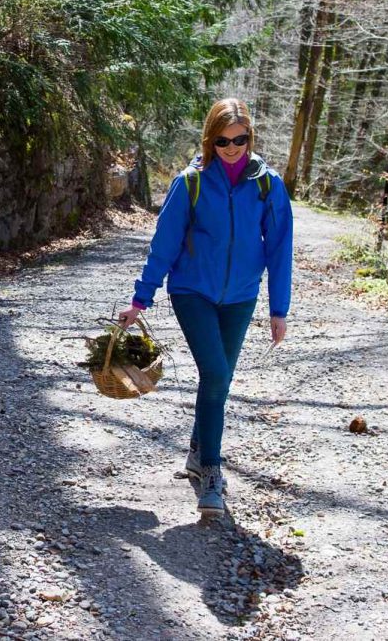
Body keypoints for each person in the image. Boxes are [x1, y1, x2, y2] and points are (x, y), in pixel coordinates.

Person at [117, 99, 293, 516]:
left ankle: (198, 452)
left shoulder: (267, 185)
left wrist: (278, 309)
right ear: (210, 140)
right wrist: (141, 299)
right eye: (223, 141)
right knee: (215, 373)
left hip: (241, 296)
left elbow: (280, 249)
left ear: (250, 138)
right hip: (192, 291)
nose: (232, 148)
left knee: (220, 379)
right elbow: (164, 245)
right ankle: (211, 471)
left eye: (240, 140)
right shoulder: (190, 182)